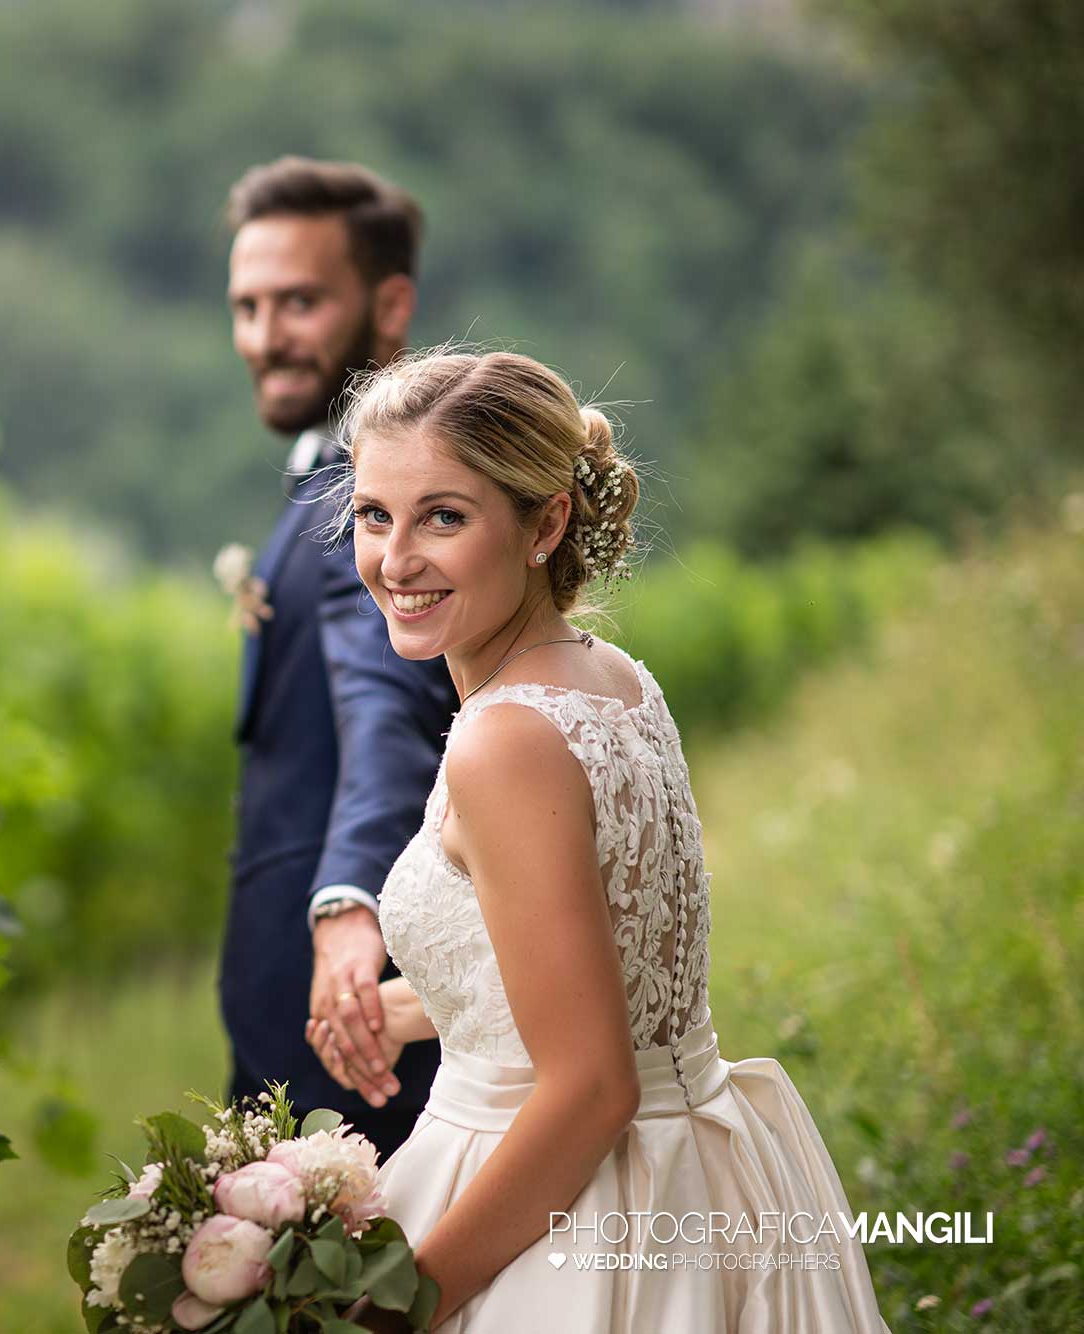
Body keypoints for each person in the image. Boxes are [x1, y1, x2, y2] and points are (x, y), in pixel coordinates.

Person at [306, 349, 890, 1331]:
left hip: (573, 1215)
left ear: (543, 522)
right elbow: (591, 966)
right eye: (374, 514)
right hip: (695, 1164)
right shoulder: (608, 677)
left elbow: (588, 1087)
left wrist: (391, 1306)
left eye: (441, 516)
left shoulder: (502, 740)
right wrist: (409, 1008)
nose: (395, 559)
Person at [219, 156, 457, 1156]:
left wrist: (347, 900)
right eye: (245, 306)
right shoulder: (327, 479)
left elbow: (383, 708)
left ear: (389, 304)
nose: (265, 336)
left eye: (300, 301)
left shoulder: (364, 506)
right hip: (305, 1015)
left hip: (348, 1024)